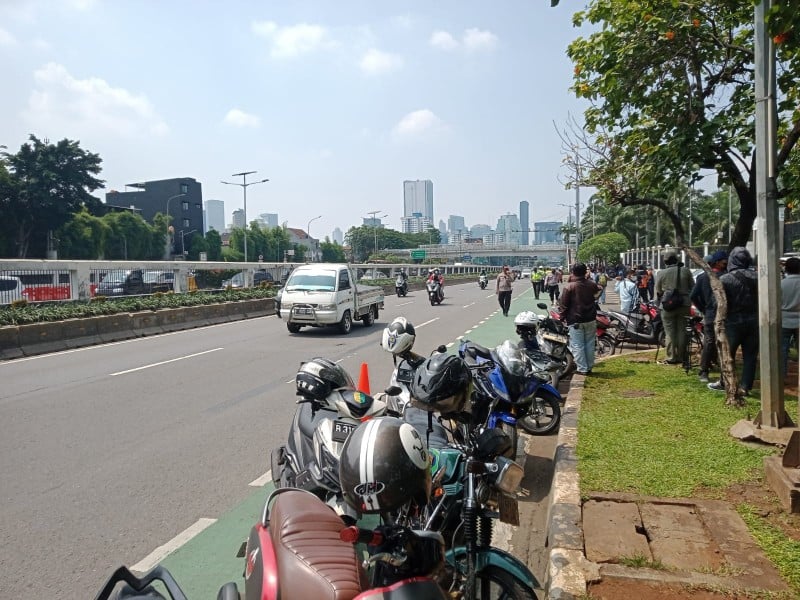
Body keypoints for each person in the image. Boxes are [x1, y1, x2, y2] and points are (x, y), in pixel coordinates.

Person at [708, 247, 759, 395]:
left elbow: (716, 302)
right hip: (754, 322)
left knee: (727, 354)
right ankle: (745, 387)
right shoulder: (758, 278)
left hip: (732, 322)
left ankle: (725, 382)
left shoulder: (725, 279)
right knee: (750, 356)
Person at [690, 251, 727, 383]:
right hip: (723, 314)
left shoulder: (702, 277)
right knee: (723, 342)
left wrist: (703, 308)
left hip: (710, 313)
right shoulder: (726, 276)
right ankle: (719, 369)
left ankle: (704, 370)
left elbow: (693, 296)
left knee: (709, 341)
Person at [558, 263, 602, 375]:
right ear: (585, 272)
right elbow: (598, 292)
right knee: (590, 343)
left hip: (575, 319)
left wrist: (561, 317)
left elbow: (563, 305)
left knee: (577, 345)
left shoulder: (569, 287)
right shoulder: (592, 284)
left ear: (573, 272)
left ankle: (582, 369)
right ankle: (589, 366)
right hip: (590, 318)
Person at [654, 248, 695, 365]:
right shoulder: (686, 271)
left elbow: (658, 291)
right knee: (682, 331)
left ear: (665, 262)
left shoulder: (661, 273)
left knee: (670, 332)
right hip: (684, 304)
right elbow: (693, 287)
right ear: (677, 260)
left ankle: (672, 357)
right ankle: (682, 356)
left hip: (668, 306)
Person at [780, 257, 800, 382]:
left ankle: (781, 377)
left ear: (786, 268)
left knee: (783, 350)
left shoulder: (782, 284)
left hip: (784, 319)